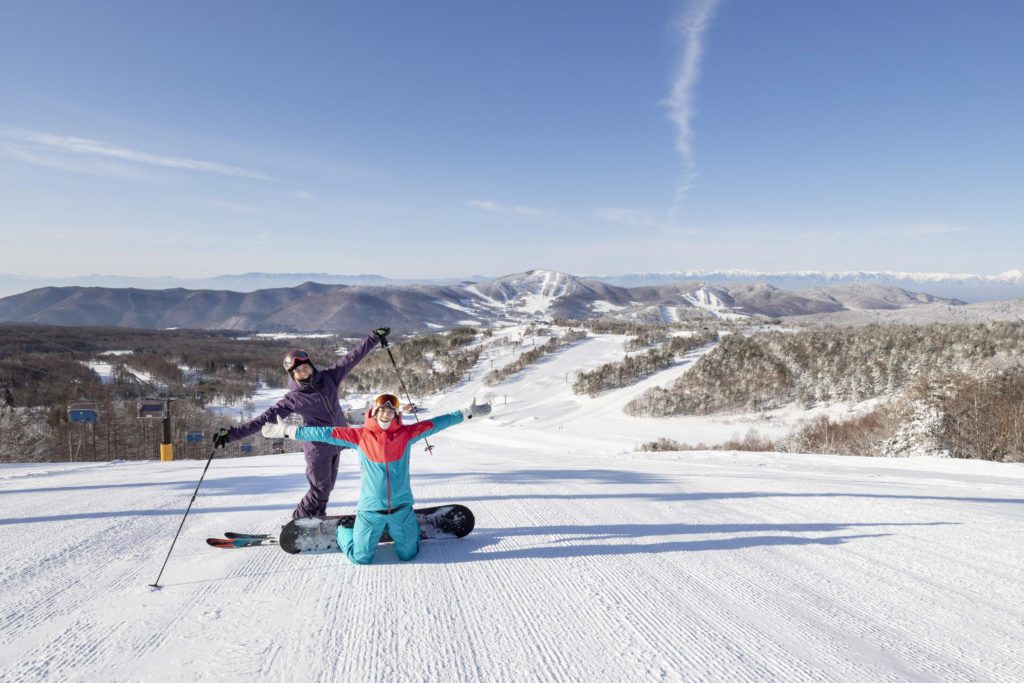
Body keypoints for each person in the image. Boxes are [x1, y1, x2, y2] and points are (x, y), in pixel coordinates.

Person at [262, 392, 491, 564]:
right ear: (373, 412)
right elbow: (323, 433)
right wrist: (288, 431)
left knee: (408, 554)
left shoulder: (406, 434)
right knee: (361, 558)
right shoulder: (359, 436)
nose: (386, 414)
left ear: (396, 415)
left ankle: (401, 530)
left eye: (390, 411)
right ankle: (345, 529)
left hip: (402, 508)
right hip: (370, 511)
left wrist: (466, 413)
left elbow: (437, 423)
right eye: (382, 410)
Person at [213, 327, 390, 519]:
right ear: (292, 375)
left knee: (326, 488)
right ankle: (298, 521)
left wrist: (373, 338)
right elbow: (264, 419)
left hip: (338, 443)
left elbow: (352, 357)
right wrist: (232, 434)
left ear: (311, 365)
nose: (302, 371)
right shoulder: (294, 398)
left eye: (304, 366)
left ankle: (317, 518)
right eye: (296, 370)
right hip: (318, 449)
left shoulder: (330, 377)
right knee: (319, 489)